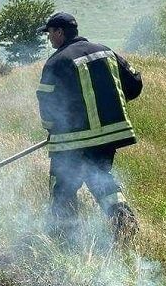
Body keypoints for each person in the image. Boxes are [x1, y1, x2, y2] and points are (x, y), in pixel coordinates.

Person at [36, 12, 143, 242]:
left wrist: (51, 128)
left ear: (59, 32)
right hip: (109, 136)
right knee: (101, 179)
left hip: (73, 141)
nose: (49, 39)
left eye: (50, 34)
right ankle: (125, 224)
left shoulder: (56, 62)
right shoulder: (106, 51)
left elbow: (47, 104)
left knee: (62, 184)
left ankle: (64, 235)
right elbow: (134, 84)